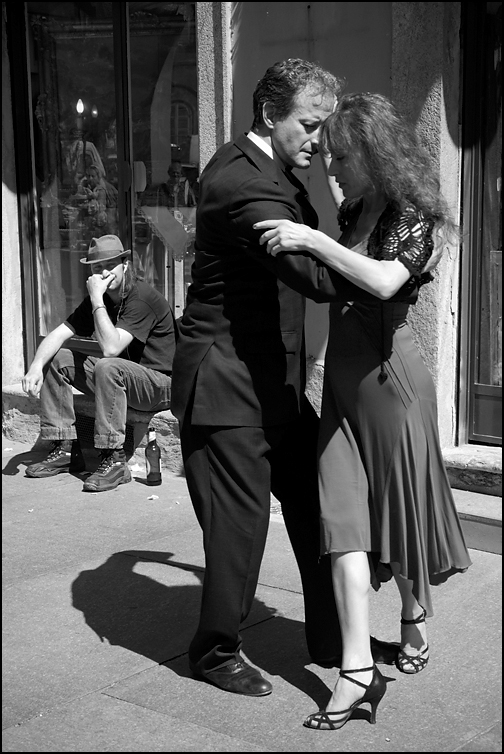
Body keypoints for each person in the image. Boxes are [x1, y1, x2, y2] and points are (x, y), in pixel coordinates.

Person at [170, 60, 397, 698]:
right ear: (271, 114)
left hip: (274, 379)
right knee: (238, 527)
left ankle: (334, 639)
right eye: (310, 124)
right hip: (226, 383)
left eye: (324, 126)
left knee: (319, 506)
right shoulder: (244, 183)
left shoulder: (271, 169)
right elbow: (316, 276)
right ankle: (215, 651)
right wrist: (395, 257)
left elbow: (315, 248)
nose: (321, 141)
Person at [254, 92, 472, 729]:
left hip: (391, 385)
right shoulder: (352, 208)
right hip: (343, 389)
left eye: (342, 158)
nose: (331, 169)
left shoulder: (412, 214)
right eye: (326, 156)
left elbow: (382, 281)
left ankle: (412, 613)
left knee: (397, 518)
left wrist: (310, 240)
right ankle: (356, 671)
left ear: (375, 156)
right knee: (342, 522)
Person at [22, 234, 176, 493]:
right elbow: (59, 334)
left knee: (107, 364)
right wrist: (36, 366)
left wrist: (96, 300)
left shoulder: (141, 298)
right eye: (97, 267)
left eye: (110, 265)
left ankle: (114, 459)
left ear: (125, 265)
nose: (104, 273)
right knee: (58, 358)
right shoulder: (102, 298)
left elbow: (111, 348)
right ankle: (64, 449)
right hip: (123, 381)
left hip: (160, 385)